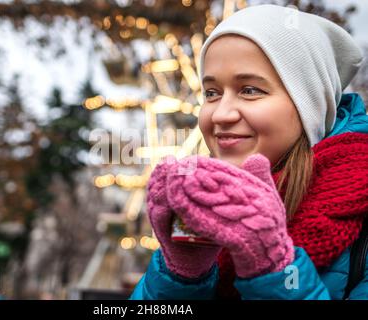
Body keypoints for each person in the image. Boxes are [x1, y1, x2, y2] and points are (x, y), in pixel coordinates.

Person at [130, 4, 368, 300]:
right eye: (212, 93)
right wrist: (180, 277)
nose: (221, 115)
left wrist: (273, 268)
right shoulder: (204, 202)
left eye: (250, 90)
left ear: (311, 107)